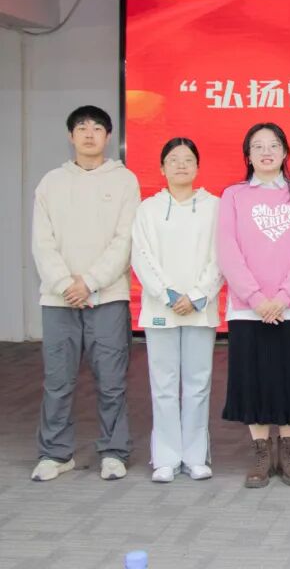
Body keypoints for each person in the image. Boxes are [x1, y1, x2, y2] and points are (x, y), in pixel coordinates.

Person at [30, 105, 141, 482]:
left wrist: (90, 281)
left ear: (108, 136)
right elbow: (42, 242)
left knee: (111, 381)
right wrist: (66, 284)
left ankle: (113, 451)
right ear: (71, 136)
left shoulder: (124, 180)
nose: (89, 134)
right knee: (58, 382)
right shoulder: (51, 182)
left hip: (107, 297)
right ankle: (55, 453)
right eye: (81, 128)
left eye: (97, 128)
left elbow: (125, 240)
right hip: (58, 300)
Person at [217, 123, 290, 488]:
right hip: (248, 308)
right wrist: (257, 299)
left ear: (285, 152)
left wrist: (284, 297)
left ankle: (288, 452)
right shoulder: (233, 195)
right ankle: (262, 453)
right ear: (248, 155)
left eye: (273, 145)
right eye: (257, 146)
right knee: (253, 378)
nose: (266, 152)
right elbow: (227, 250)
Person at [131, 138, 223, 483]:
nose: (181, 165)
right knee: (164, 385)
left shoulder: (214, 207)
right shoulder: (148, 209)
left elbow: (221, 256)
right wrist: (167, 295)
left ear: (198, 167)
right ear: (162, 168)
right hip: (161, 308)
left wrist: (198, 295)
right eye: (173, 159)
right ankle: (166, 458)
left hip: (200, 308)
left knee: (198, 384)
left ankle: (196, 457)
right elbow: (141, 256)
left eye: (188, 159)